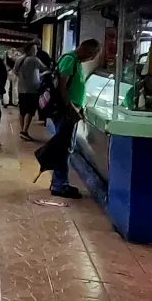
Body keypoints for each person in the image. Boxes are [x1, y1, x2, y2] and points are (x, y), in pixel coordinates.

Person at [49, 39, 101, 199]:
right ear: (85, 48)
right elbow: (62, 87)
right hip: (66, 111)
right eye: (92, 54)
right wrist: (71, 109)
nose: (92, 59)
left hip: (71, 110)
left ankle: (59, 182)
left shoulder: (76, 61)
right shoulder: (69, 59)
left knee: (66, 148)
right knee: (63, 149)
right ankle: (59, 185)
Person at [14, 43, 47, 141]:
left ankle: (23, 130)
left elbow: (15, 71)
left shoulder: (19, 59)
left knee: (22, 111)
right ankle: (24, 131)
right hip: (32, 89)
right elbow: (44, 68)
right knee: (30, 111)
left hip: (21, 89)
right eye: (35, 49)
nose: (36, 51)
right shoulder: (34, 60)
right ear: (30, 50)